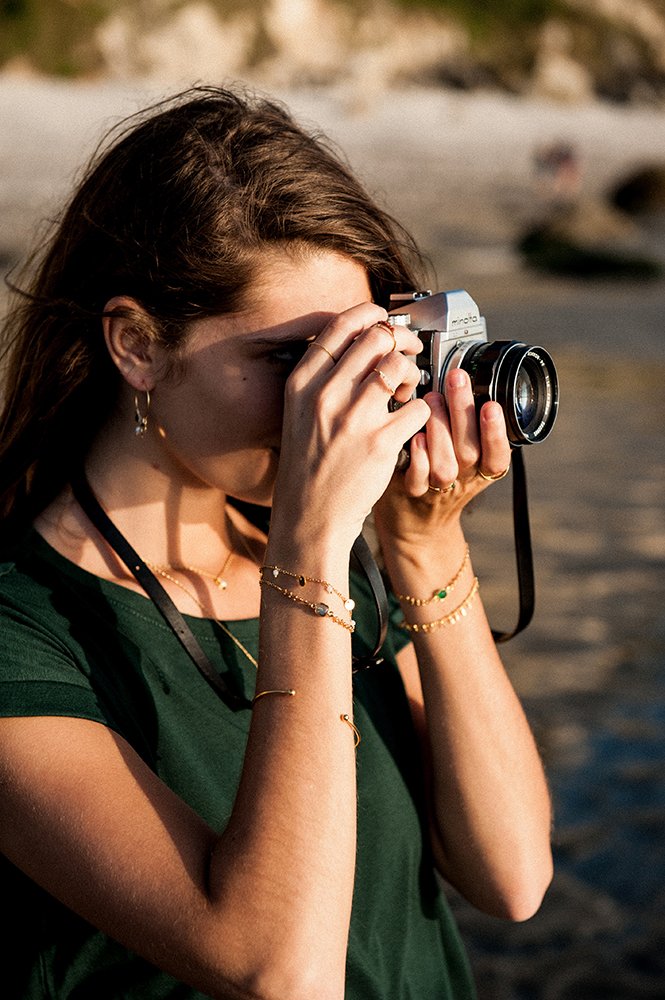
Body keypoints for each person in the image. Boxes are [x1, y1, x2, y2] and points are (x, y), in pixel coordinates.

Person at [0, 86, 552, 1000]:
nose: (332, 401)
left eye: (360, 349)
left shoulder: (328, 560)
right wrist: (308, 549)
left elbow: (512, 874)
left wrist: (421, 548)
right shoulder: (25, 634)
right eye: (293, 360)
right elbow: (278, 970)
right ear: (136, 345)